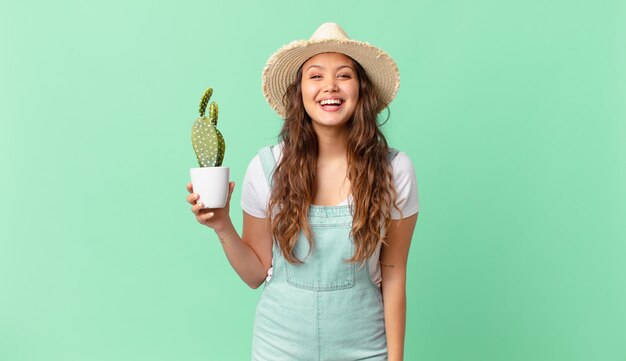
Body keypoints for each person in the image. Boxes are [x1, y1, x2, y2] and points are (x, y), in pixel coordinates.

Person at [186, 22, 419, 361]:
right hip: (279, 350)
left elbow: (394, 274)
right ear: (299, 92)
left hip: (365, 350)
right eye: (315, 76)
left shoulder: (395, 170)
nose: (330, 87)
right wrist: (221, 223)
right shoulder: (266, 169)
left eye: (343, 75)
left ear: (361, 89)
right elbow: (255, 274)